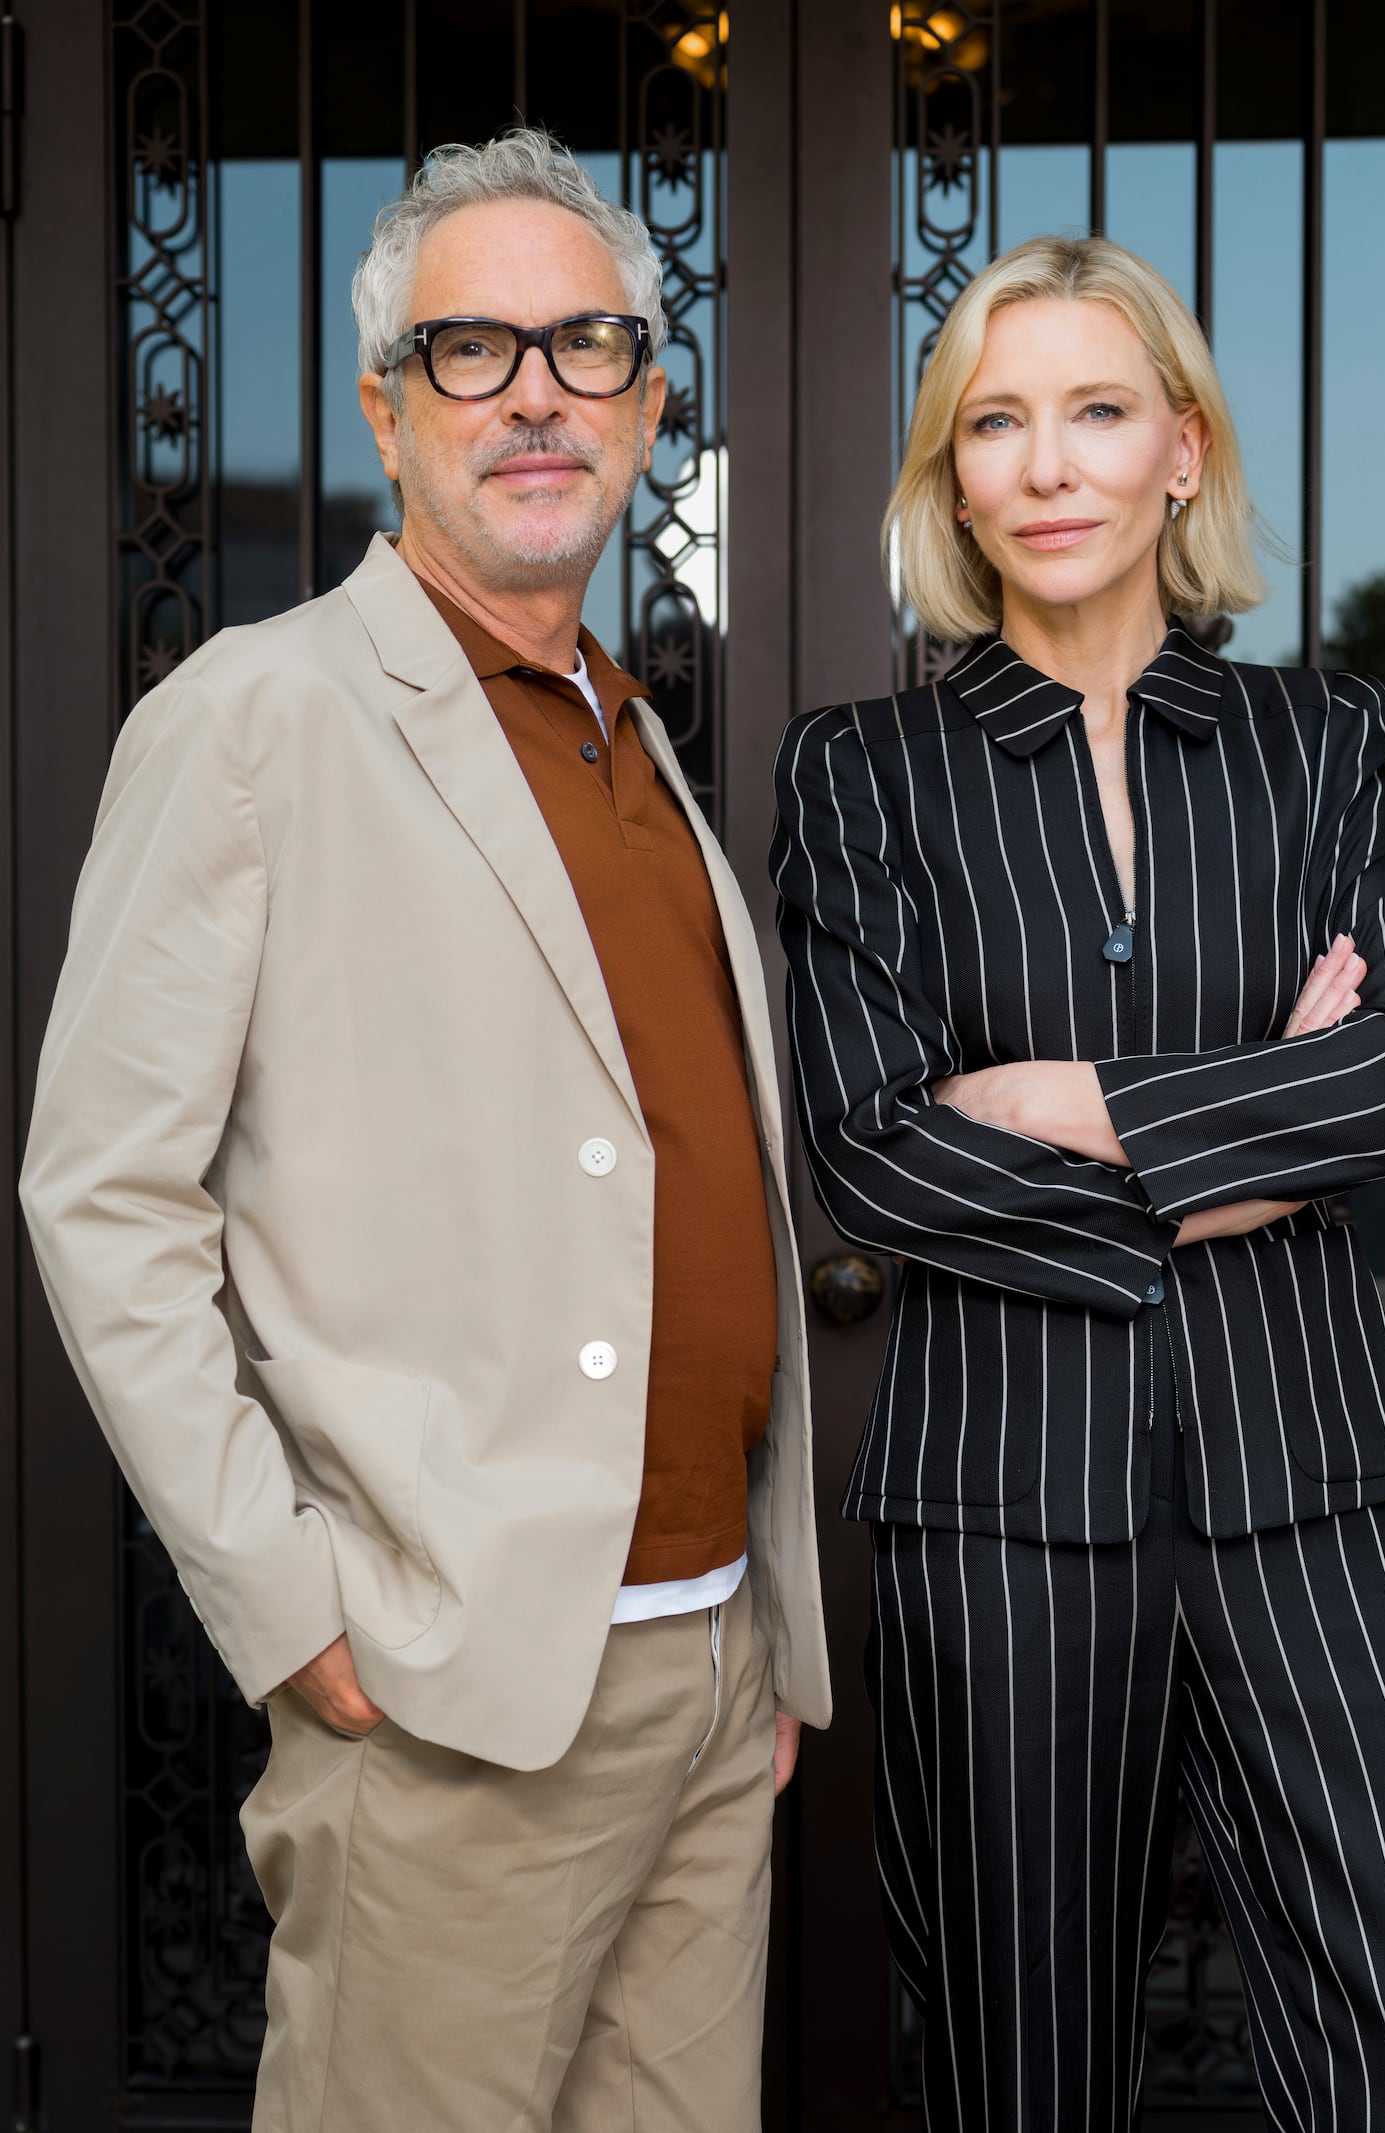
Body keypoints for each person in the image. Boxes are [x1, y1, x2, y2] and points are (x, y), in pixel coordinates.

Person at [21, 127, 828, 2133]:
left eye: (588, 346)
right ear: (387, 411)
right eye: (473, 349)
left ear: (649, 403)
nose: (536, 390)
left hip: (712, 1663)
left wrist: (755, 1633)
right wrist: (298, 1614)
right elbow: (102, 1197)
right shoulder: (257, 714)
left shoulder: (626, 730)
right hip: (453, 1685)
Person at [770, 235, 1385, 2131]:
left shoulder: (1325, 740)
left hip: (1314, 1489)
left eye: (1097, 412)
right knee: (1023, 2077)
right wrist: (1235, 1124)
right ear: (952, 472)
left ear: (1180, 452)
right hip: (1002, 1508)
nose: (1048, 465)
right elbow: (871, 1144)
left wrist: (1060, 1099)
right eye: (996, 423)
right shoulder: (862, 776)